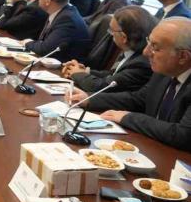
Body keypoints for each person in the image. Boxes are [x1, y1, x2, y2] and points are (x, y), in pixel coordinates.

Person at [69, 17, 191, 151]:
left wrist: (129, 118)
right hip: (153, 147)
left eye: (155, 47)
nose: (145, 52)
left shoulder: (165, 68)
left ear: (183, 57)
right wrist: (89, 99)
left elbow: (183, 135)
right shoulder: (165, 71)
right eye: (148, 42)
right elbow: (139, 99)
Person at [62, 6, 155, 93]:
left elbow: (102, 87)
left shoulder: (142, 63)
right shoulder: (133, 52)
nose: (111, 34)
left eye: (112, 30)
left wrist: (77, 74)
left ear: (124, 37)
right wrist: (85, 71)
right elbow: (114, 75)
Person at [23, 0, 90, 62]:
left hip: (64, 67)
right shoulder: (60, 11)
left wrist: (27, 42)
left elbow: (45, 49)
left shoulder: (67, 19)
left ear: (48, 1)